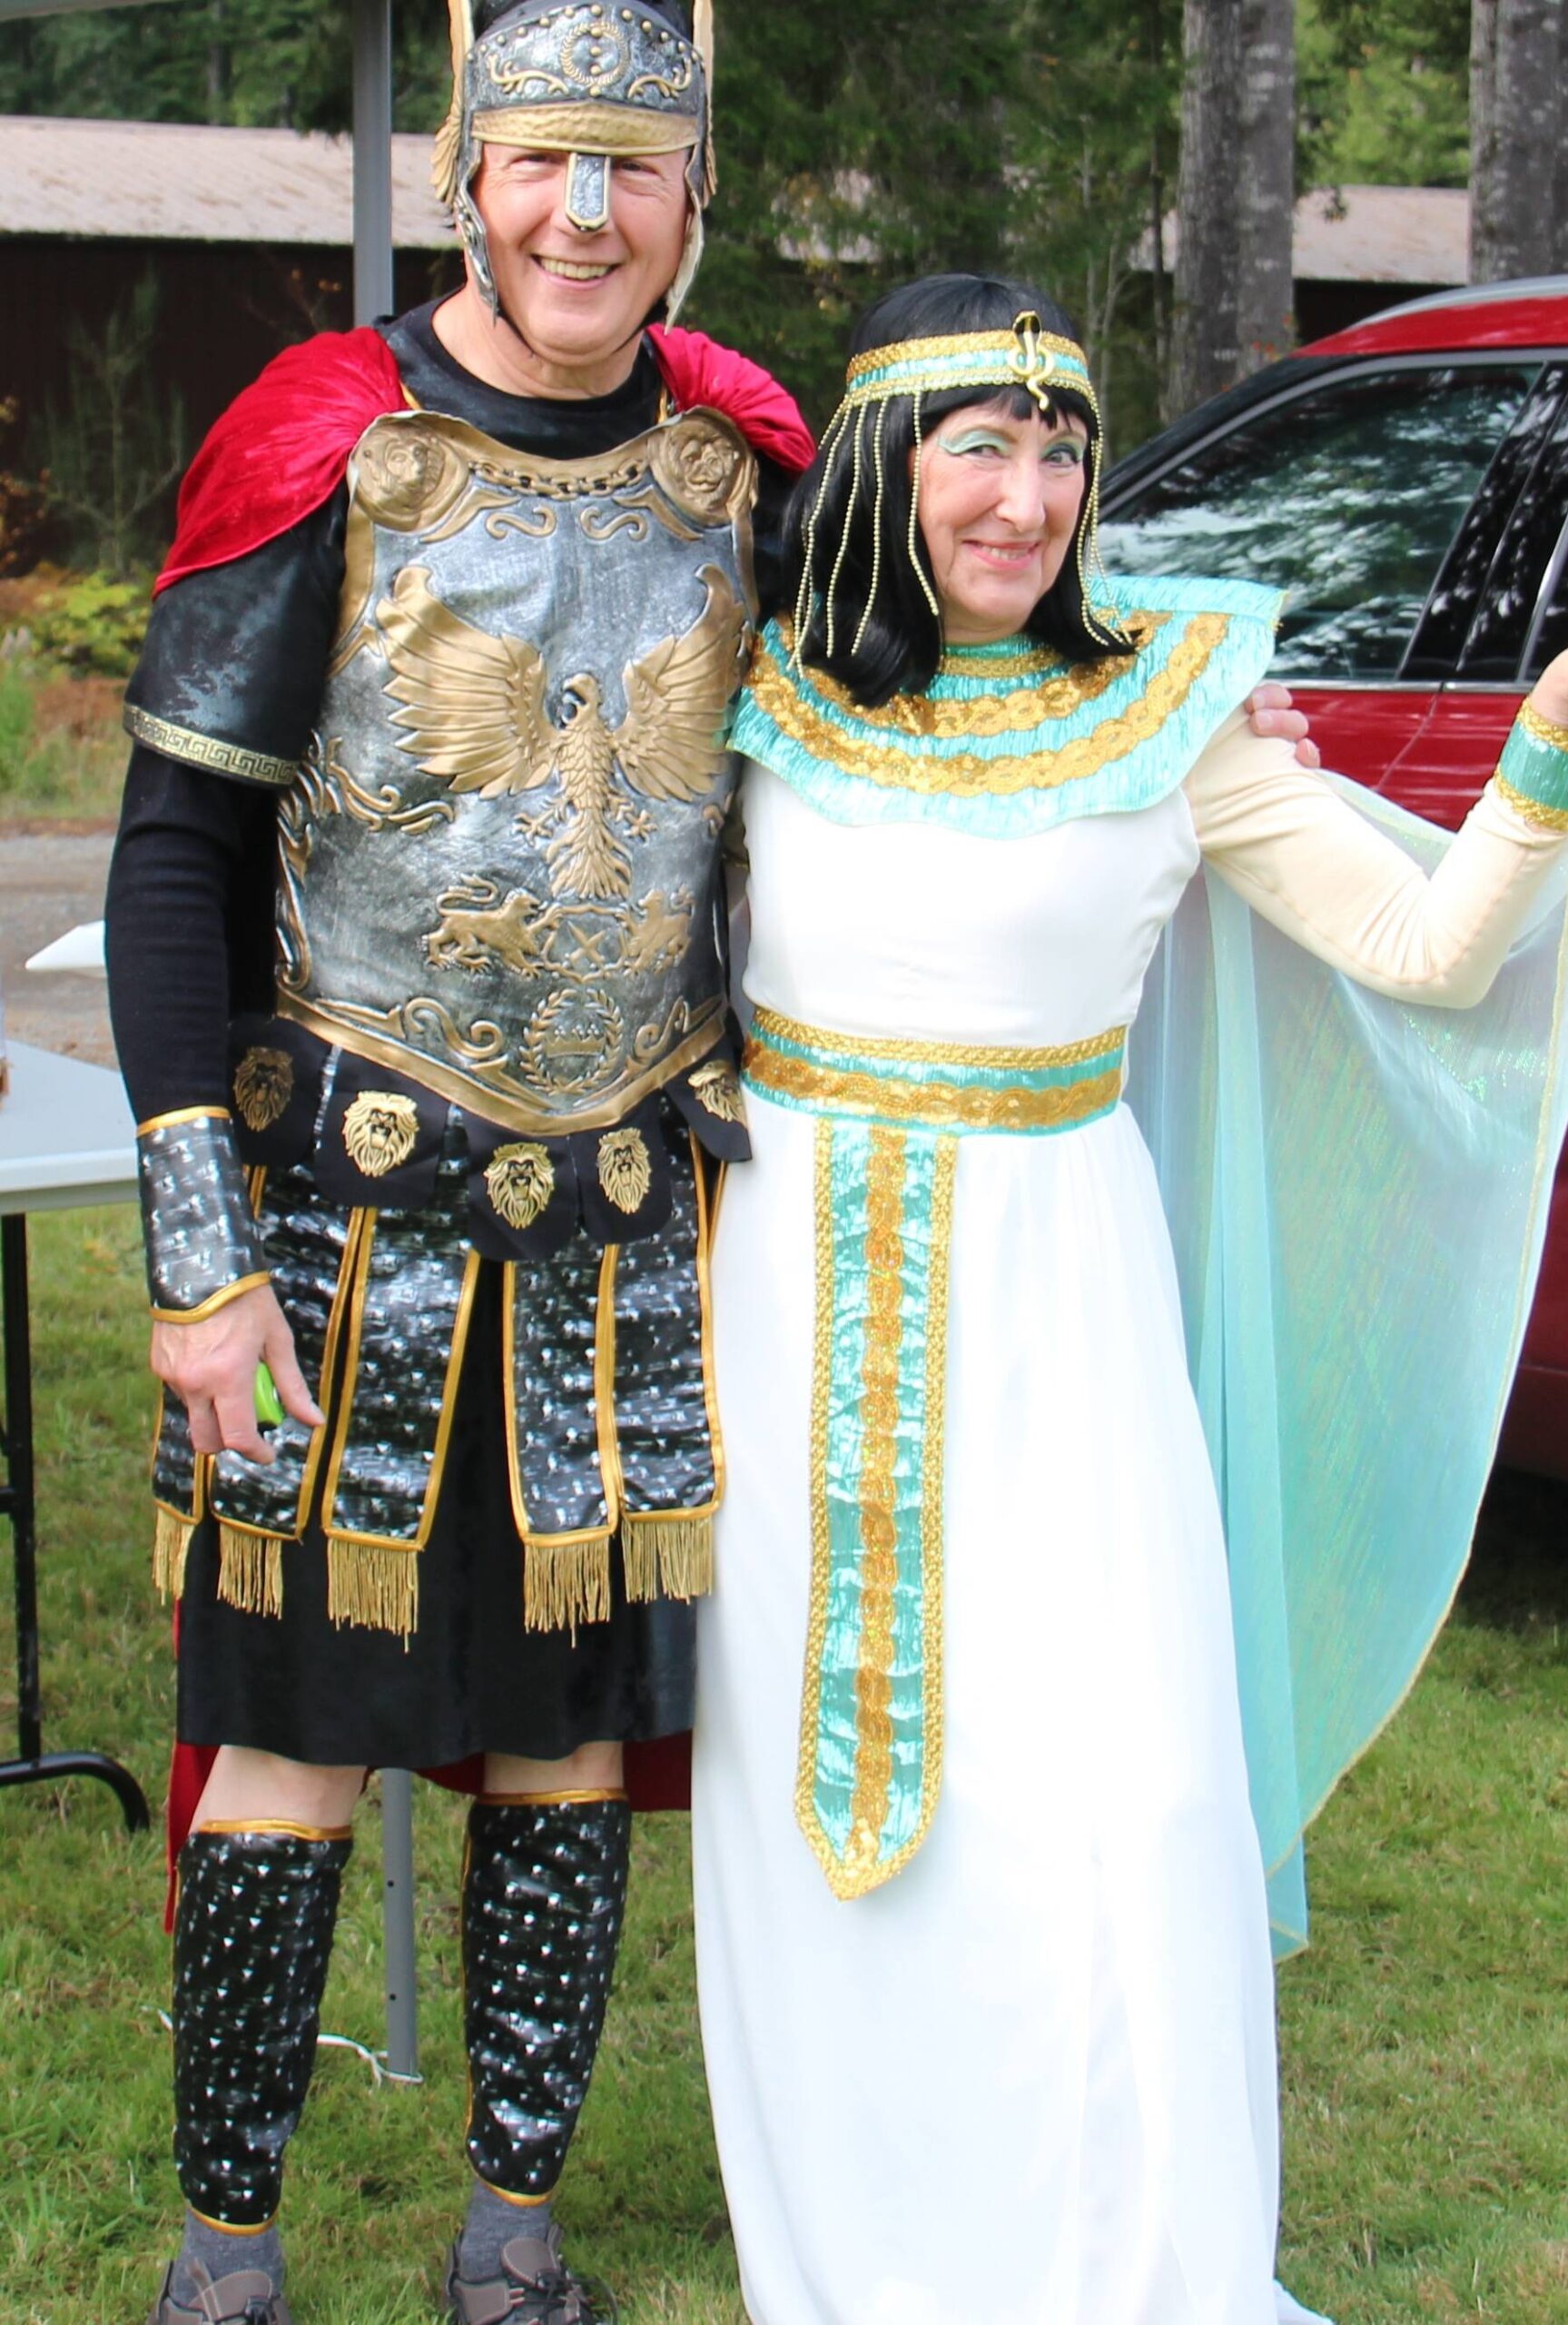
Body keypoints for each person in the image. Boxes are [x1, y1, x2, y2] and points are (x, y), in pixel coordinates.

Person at [687, 272, 1568, 2324]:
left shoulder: (1175, 702)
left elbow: (1428, 945)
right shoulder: (749, 699)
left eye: (1061, 451)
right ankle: (863, 2266)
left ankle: (1126, 2266)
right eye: (977, 450)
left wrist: (1545, 732)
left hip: (1062, 1309)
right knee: (812, 1808)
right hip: (787, 1305)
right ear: (880, 468)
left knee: (1117, 1791)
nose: (1026, 499)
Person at [105, 6, 820, 2321]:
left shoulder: (748, 474)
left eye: (633, 169)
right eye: (540, 165)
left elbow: (935, 681)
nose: (583, 217)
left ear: (697, 197)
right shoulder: (333, 447)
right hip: (338, 1218)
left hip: (622, 1228)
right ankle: (229, 2242)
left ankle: (515, 2220)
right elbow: (175, 864)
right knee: (296, 1755)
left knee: (563, 1747)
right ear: (463, 176)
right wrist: (204, 1264)